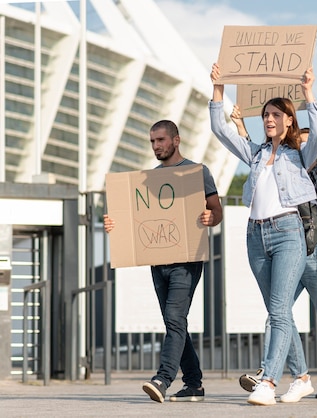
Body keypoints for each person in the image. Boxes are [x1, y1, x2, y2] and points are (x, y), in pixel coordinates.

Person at [209, 63, 317, 406]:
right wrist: (218, 87)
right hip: (256, 236)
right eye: (265, 115)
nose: (269, 119)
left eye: (275, 114)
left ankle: (269, 381)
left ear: (289, 120)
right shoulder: (256, 154)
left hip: (288, 233)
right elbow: (220, 128)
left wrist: (308, 93)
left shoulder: (300, 155)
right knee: (280, 313)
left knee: (277, 309)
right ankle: (302, 378)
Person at [230, 108, 317, 400]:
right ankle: (285, 374)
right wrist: (239, 123)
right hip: (287, 247)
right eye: (297, 143)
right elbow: (256, 155)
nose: (300, 147)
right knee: (277, 312)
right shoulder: (281, 164)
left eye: (306, 143)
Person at [103, 120, 223, 403]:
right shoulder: (148, 180)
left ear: (176, 140)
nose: (156, 146)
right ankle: (194, 384)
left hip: (186, 260)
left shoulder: (197, 173)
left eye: (160, 140)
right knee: (175, 322)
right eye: (152, 142)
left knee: (173, 319)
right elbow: (133, 222)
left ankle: (163, 378)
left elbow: (216, 210)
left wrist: (210, 218)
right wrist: (114, 225)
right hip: (158, 261)